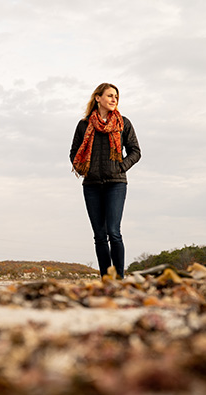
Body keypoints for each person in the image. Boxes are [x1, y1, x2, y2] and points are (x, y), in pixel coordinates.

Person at [69, 83, 141, 278]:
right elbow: (74, 153)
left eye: (116, 97)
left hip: (116, 183)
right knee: (99, 235)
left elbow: (135, 151)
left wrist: (121, 166)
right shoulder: (84, 124)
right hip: (91, 185)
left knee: (113, 232)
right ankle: (106, 279)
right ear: (98, 98)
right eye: (110, 96)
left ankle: (119, 278)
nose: (113, 100)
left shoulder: (122, 123)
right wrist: (85, 170)